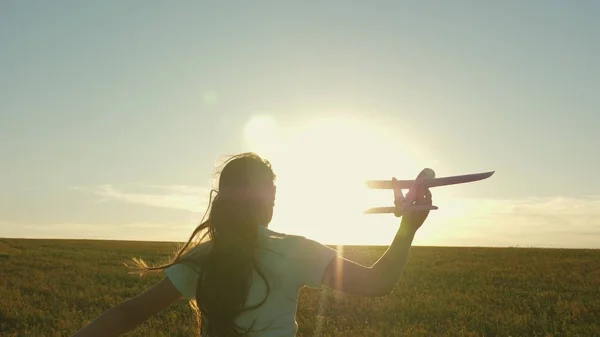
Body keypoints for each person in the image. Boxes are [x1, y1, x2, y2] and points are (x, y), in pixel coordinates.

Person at [72, 152, 435, 337]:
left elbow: (128, 313)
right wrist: (408, 227)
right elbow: (378, 282)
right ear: (271, 196)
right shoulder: (294, 250)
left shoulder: (203, 258)